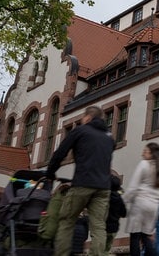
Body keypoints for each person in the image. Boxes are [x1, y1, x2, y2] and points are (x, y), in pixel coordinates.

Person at [46, 106, 115, 256]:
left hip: (83, 183)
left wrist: (50, 173)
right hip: (103, 187)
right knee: (98, 226)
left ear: (88, 117)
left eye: (83, 118)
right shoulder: (109, 137)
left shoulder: (80, 131)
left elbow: (60, 153)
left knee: (67, 220)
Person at [123, 142, 159, 256]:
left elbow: (133, 187)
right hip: (153, 206)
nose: (142, 153)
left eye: (145, 151)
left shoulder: (143, 164)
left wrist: (124, 200)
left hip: (140, 204)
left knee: (135, 236)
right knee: (146, 237)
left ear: (151, 153)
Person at [104, 175, 127, 255]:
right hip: (114, 227)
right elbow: (124, 213)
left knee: (99, 247)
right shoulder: (119, 199)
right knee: (107, 248)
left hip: (103, 227)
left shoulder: (103, 198)